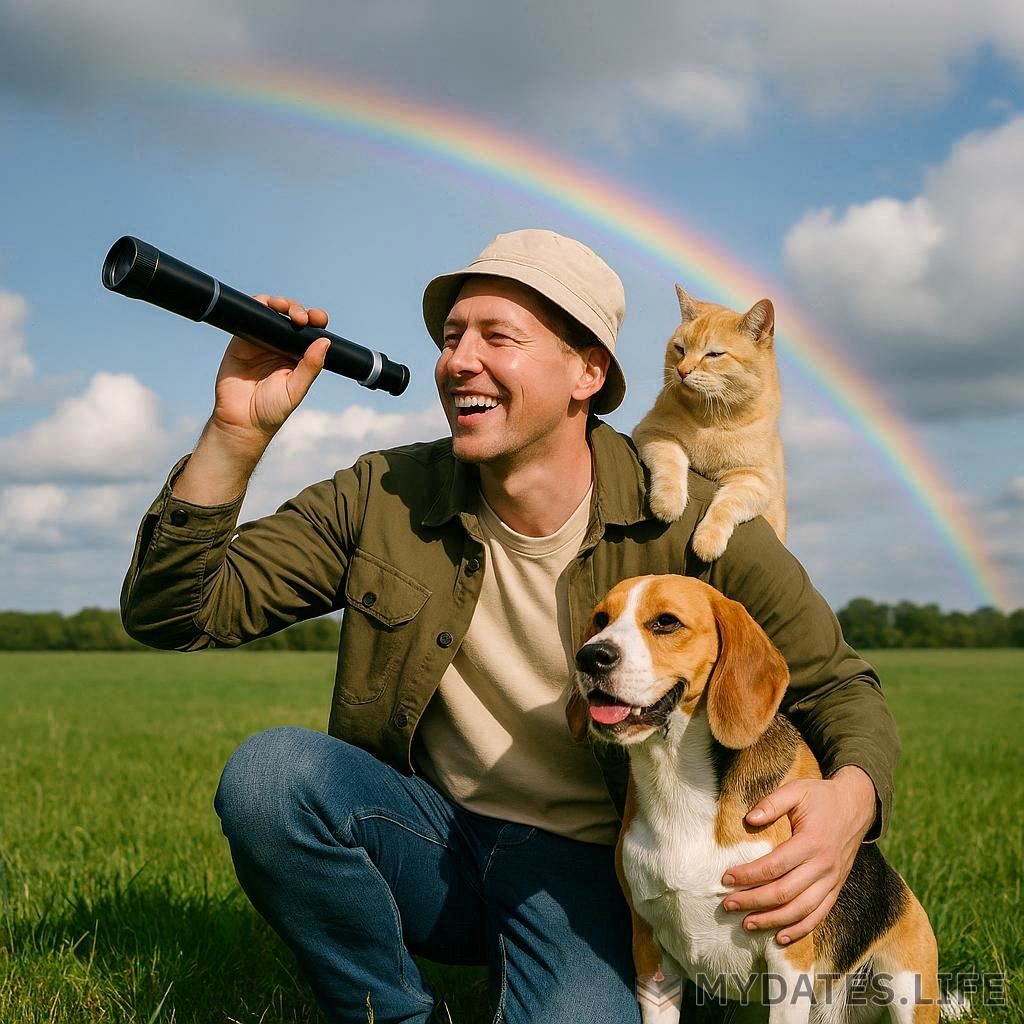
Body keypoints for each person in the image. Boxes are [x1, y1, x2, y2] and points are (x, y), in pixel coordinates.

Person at [121, 229, 899, 1024]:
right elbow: (175, 612)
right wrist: (236, 433)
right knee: (271, 778)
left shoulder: (695, 519)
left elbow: (842, 686)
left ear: (586, 372)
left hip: (598, 870)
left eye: (498, 337)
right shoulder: (382, 493)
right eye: (452, 337)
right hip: (430, 840)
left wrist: (851, 803)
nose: (459, 360)